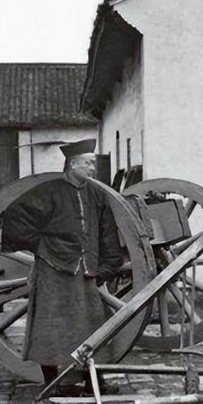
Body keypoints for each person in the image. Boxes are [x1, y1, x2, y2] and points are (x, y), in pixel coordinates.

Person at [1, 139, 123, 396]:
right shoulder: (49, 192)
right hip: (52, 270)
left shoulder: (96, 195)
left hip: (85, 271)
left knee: (93, 326)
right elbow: (16, 216)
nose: (93, 168)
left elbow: (107, 233)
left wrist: (108, 266)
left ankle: (92, 382)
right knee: (49, 326)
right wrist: (41, 245)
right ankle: (51, 384)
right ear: (73, 164)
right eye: (89, 163)